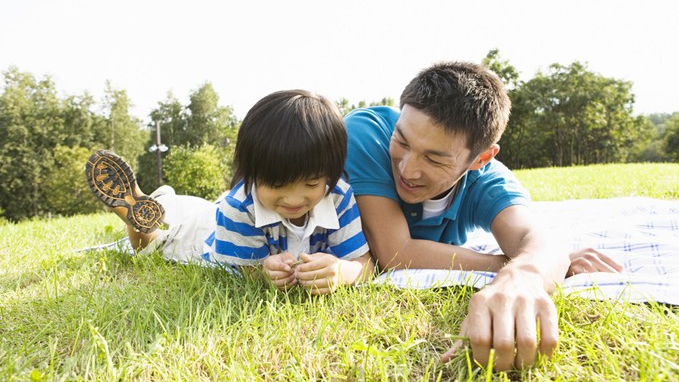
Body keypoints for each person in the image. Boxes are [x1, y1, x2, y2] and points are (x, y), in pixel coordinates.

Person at [343, 61, 622, 370]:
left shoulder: (489, 181)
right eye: (402, 141)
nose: (407, 169)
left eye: (435, 159)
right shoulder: (366, 133)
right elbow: (395, 252)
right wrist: (517, 262)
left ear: (481, 158)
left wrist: (523, 277)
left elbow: (539, 239)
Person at [86, 89, 373, 294]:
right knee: (164, 241)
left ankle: (164, 199)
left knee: (199, 209)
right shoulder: (240, 205)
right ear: (251, 174)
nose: (295, 200)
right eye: (276, 186)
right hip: (208, 239)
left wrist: (342, 272)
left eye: (311, 185)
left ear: (331, 172)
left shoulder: (338, 196)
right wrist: (263, 272)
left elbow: (364, 263)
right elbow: (245, 273)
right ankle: (144, 219)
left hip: (220, 216)